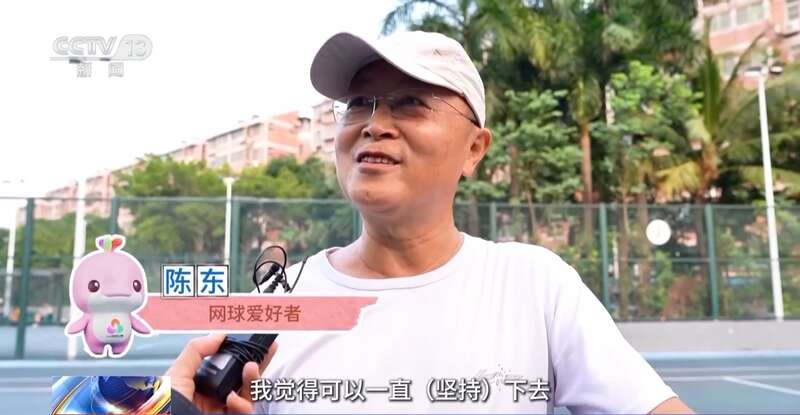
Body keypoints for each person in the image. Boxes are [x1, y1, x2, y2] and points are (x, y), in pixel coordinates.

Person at [167, 30, 695, 414]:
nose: (374, 125)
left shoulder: (533, 284)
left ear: (474, 149)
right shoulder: (276, 305)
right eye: (359, 104)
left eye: (411, 104)